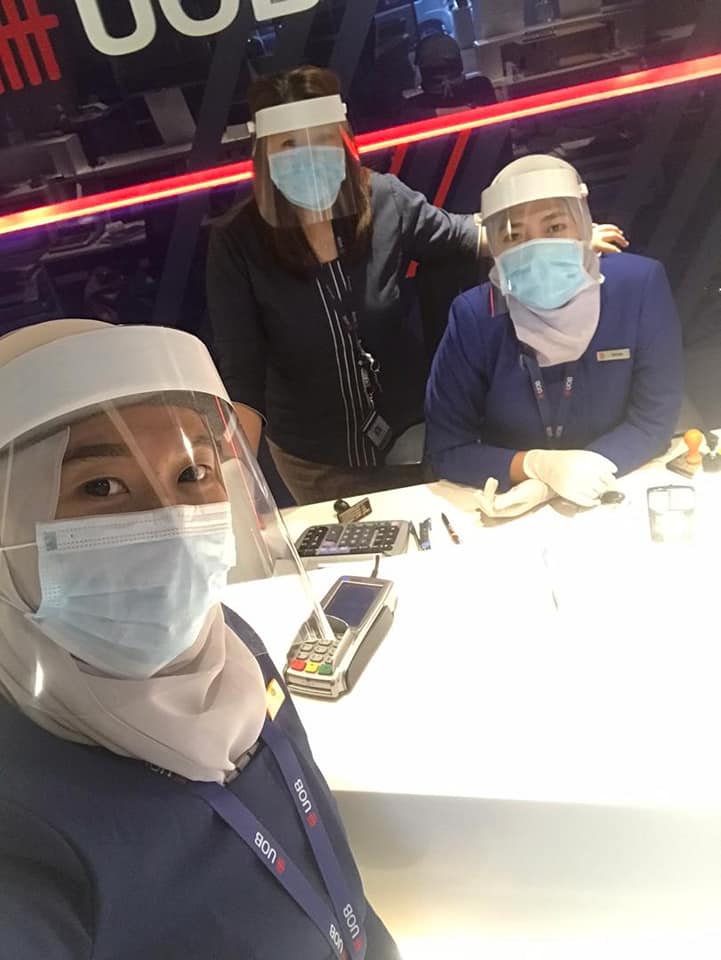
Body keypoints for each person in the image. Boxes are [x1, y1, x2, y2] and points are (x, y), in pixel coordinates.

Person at [0, 318, 400, 959]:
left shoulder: (228, 643)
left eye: (193, 473)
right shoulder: (23, 840)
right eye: (100, 486)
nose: (176, 524)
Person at [425, 155, 683, 516]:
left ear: (585, 225)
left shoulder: (639, 286)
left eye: (555, 227)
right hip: (513, 512)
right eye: (514, 236)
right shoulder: (474, 316)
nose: (537, 248)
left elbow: (653, 419)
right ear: (494, 249)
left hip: (620, 492)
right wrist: (536, 466)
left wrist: (553, 484)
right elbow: (447, 449)